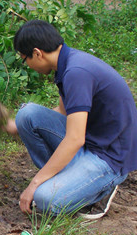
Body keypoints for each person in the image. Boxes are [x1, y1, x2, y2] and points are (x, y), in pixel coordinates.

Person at [8, 20, 137, 217]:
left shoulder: (76, 73)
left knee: (43, 199)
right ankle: (68, 182)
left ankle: (97, 192)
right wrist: (16, 125)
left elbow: (75, 138)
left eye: (24, 58)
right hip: (93, 142)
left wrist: (35, 183)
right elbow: (64, 111)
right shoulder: (66, 63)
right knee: (27, 115)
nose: (27, 64)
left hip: (109, 158)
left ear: (37, 53)